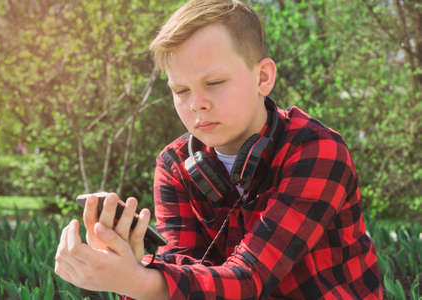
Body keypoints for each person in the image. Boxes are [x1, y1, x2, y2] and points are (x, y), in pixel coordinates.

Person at [54, 0, 383, 299]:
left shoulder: (317, 150)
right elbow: (183, 273)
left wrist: (136, 281)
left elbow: (249, 279)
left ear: (263, 78)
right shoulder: (174, 164)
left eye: (214, 83)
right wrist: (130, 264)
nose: (197, 104)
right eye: (181, 90)